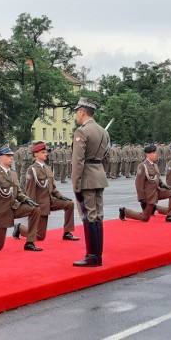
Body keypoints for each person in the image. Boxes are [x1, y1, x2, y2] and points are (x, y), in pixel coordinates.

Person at [0, 145, 42, 251]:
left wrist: (27, 199)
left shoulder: (13, 173)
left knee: (35, 209)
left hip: (14, 208)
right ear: (0, 158)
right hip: (1, 213)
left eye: (11, 155)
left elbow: (18, 193)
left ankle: (30, 243)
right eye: (8, 156)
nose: (11, 157)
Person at [71, 97, 109, 267]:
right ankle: (97, 256)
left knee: (89, 216)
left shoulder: (81, 132)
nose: (75, 115)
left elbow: (77, 161)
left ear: (82, 112)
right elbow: (107, 157)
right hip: (99, 176)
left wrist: (76, 184)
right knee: (98, 216)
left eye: (76, 111)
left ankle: (92, 255)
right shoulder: (103, 131)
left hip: (86, 177)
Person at [24, 141, 79, 241]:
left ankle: (67, 232)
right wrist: (33, 209)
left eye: (46, 152)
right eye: (43, 152)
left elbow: (52, 188)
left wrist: (60, 196)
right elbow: (30, 191)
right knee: (40, 236)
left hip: (51, 201)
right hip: (40, 204)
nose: (46, 154)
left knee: (69, 204)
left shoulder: (48, 168)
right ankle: (19, 228)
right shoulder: (32, 170)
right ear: (36, 154)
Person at [118, 144, 171, 222]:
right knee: (145, 218)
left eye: (155, 153)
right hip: (149, 195)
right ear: (147, 154)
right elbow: (139, 184)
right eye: (153, 153)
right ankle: (124, 211)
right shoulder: (143, 166)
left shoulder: (155, 165)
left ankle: (170, 216)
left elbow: (157, 179)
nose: (155, 155)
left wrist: (164, 185)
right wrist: (141, 199)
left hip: (157, 191)